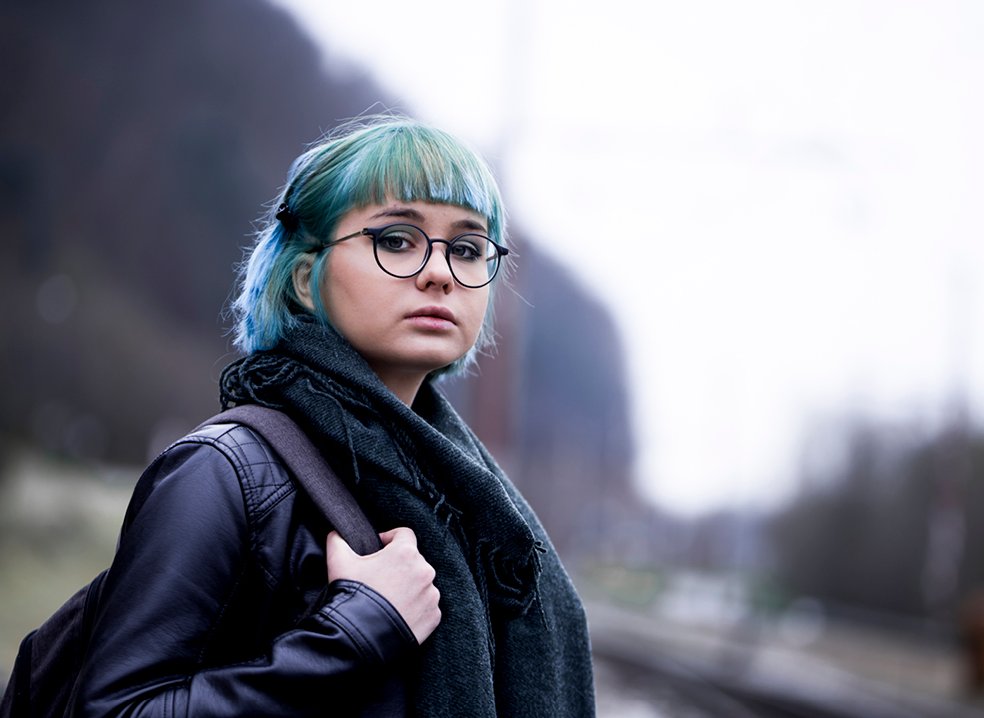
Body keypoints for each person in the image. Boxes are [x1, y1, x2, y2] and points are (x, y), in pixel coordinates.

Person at [70, 117, 596, 717]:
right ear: (302, 277)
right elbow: (113, 709)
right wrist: (355, 630)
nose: (440, 273)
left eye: (469, 249)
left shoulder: (475, 504)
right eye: (396, 239)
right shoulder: (226, 474)